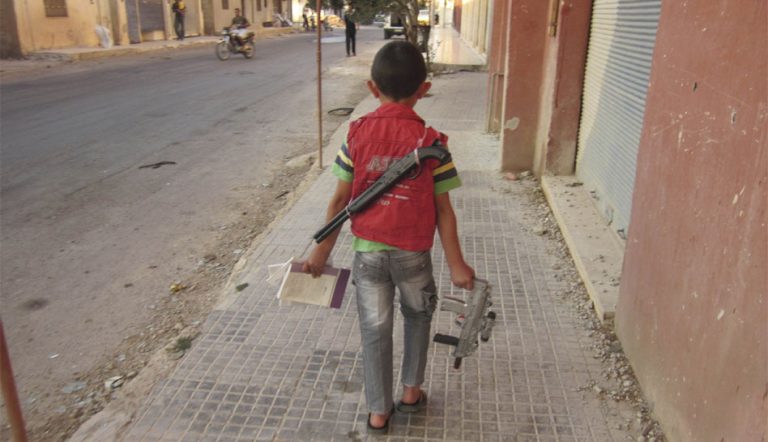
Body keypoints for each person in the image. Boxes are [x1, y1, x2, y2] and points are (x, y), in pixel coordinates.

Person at [302, 41, 475, 434]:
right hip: (413, 253)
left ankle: (379, 413)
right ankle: (411, 392)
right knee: (418, 316)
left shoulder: (356, 135)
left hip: (368, 254)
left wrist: (321, 252)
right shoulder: (433, 144)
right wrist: (457, 265)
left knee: (375, 330)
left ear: (371, 87)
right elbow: (444, 210)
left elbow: (340, 201)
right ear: (424, 90)